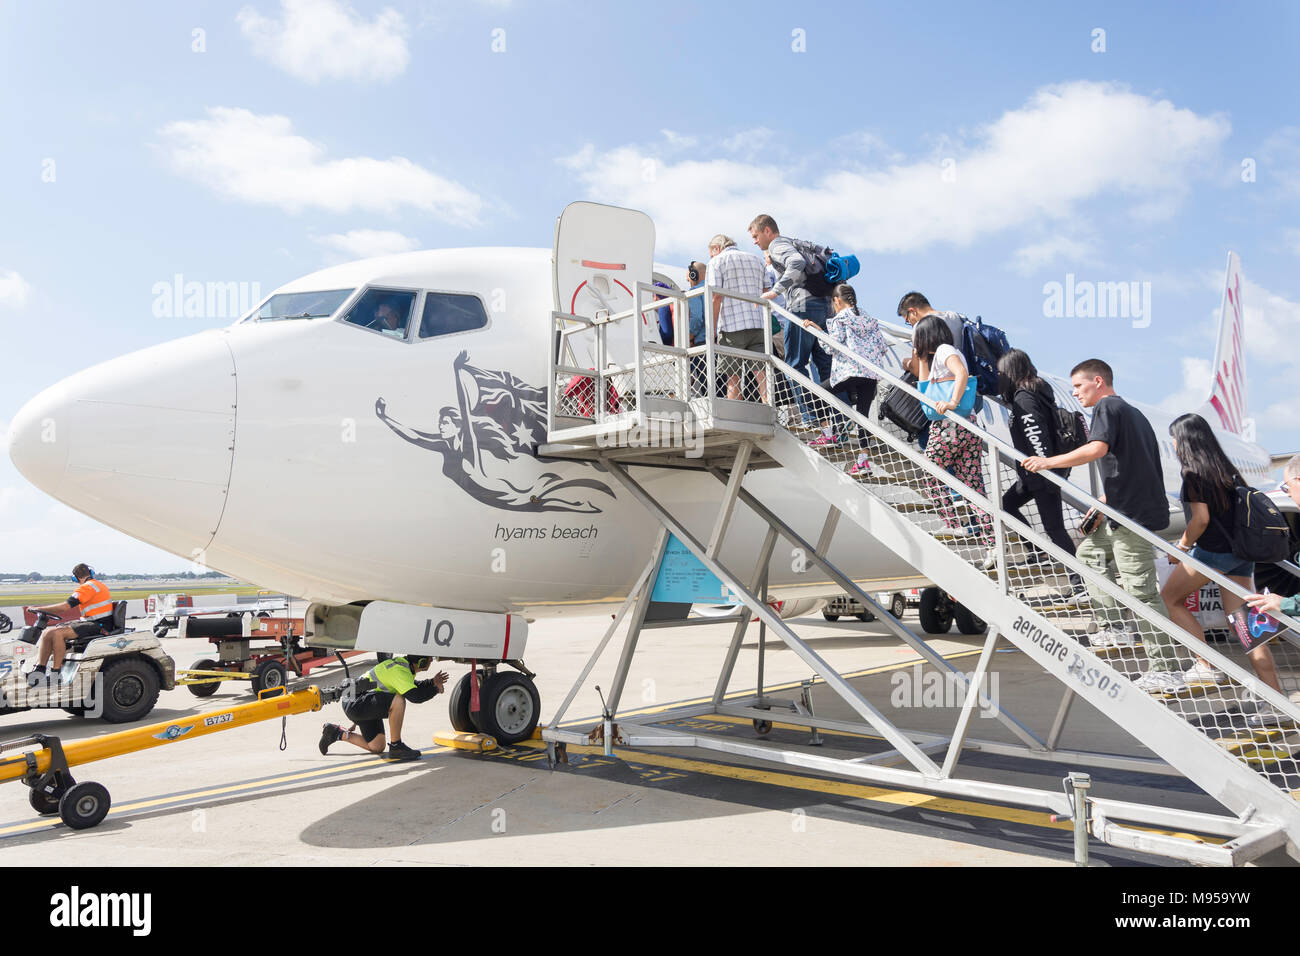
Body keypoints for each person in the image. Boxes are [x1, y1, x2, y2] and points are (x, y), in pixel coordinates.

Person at [1023, 359, 1183, 694]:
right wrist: (1104, 501)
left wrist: (1047, 461)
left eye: (1079, 387)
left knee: (1141, 592)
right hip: (1124, 511)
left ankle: (1166, 669)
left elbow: (1097, 449)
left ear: (1098, 381)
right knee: (1089, 553)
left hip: (1133, 517)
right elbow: (1135, 466)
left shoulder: (1107, 407)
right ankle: (1115, 625)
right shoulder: (1134, 414)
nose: (1076, 394)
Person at [1158, 414, 1283, 696]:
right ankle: (1275, 699)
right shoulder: (1226, 471)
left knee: (1170, 598)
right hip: (1240, 556)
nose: (1175, 444)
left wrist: (1181, 548)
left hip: (1212, 555)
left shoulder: (1193, 474)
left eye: (1175, 438)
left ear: (1186, 441)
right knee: (1245, 628)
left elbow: (1200, 520)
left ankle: (1206, 664)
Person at [911, 316, 995, 563]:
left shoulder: (946, 350)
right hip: (966, 427)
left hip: (949, 425)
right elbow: (924, 389)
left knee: (929, 470)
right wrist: (921, 359)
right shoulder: (937, 356)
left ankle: (954, 521)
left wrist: (952, 402)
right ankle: (993, 545)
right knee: (973, 488)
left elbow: (959, 373)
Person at [997, 350, 1080, 582]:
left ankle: (1078, 581)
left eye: (1002, 371)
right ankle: (1037, 550)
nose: (999, 376)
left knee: (1054, 528)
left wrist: (1044, 468)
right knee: (1006, 504)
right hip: (1033, 475)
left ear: (1011, 371)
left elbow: (1036, 434)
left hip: (1041, 475)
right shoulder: (1033, 394)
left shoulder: (1025, 398)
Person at [749, 215, 831, 419]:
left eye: (756, 235)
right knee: (825, 364)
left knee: (793, 364)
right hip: (821, 304)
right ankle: (838, 419)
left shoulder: (777, 245)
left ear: (768, 230)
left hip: (802, 305)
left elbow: (796, 262)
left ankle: (812, 417)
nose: (755, 241)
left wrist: (775, 291)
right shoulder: (793, 241)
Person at [803, 284, 888, 477]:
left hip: (850, 371)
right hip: (871, 373)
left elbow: (831, 347)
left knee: (815, 391)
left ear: (837, 301)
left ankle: (827, 434)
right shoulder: (869, 319)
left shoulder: (840, 318)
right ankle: (863, 462)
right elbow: (882, 347)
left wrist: (819, 332)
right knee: (863, 417)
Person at [320, 654, 449, 761]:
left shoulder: (402, 665)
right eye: (429, 659)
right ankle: (396, 746)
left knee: (377, 746)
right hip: (357, 703)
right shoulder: (400, 671)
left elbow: (413, 685)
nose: (432, 660)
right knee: (398, 700)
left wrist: (432, 682)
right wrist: (435, 689)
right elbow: (415, 697)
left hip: (360, 700)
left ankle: (336, 733)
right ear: (421, 662)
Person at [25, 563, 114, 685]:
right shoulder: (97, 585)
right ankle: (39, 670)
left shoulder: (87, 587)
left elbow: (65, 607)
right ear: (91, 573)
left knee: (57, 634)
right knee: (47, 633)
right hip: (92, 622)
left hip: (99, 625)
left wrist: (40, 608)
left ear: (76, 578)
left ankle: (56, 674)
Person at [705, 234, 767, 401]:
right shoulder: (757, 260)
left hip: (731, 327)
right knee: (762, 374)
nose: (711, 257)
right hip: (758, 324)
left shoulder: (716, 262)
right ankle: (770, 411)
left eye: (711, 253)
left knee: (733, 378)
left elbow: (716, 297)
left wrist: (711, 329)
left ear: (716, 249)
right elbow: (767, 291)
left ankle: (734, 416)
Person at [896, 292, 967, 376]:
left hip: (943, 382)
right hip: (970, 375)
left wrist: (907, 364)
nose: (911, 325)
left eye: (908, 320)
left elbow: (917, 370)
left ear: (913, 311)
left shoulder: (920, 328)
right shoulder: (956, 316)